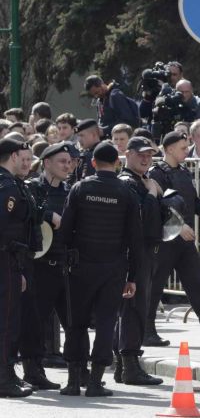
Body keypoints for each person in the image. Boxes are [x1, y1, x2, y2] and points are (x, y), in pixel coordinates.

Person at [57, 141, 143, 398]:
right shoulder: (127, 193)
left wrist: (64, 261)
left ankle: (73, 381)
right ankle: (95, 382)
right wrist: (133, 277)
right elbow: (135, 240)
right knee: (106, 324)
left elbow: (65, 231)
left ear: (93, 163)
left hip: (80, 266)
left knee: (76, 324)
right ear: (117, 163)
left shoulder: (80, 188)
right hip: (114, 268)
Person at [18, 141, 77, 391]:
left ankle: (78, 372)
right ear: (46, 163)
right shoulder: (32, 189)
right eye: (62, 161)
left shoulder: (71, 191)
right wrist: (47, 215)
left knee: (74, 322)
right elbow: (24, 210)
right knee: (35, 322)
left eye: (70, 162)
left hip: (65, 265)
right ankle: (33, 372)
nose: (68, 166)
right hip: (39, 266)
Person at [146, 131, 200, 346]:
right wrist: (179, 225)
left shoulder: (184, 172)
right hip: (166, 240)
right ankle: (148, 330)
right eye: (183, 148)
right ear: (169, 149)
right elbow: (158, 206)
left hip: (184, 241)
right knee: (155, 285)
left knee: (195, 284)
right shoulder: (156, 173)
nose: (187, 151)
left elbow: (195, 204)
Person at [112, 136, 165, 386]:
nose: (146, 159)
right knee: (133, 310)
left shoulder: (142, 181)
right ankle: (129, 366)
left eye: (149, 155)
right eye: (141, 154)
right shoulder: (128, 182)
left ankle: (123, 366)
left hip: (141, 251)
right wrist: (153, 195)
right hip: (134, 252)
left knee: (131, 309)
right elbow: (142, 219)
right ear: (128, 154)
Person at [0, 139, 35, 397]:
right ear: (13, 156)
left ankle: (8, 372)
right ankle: (3, 379)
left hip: (10, 259)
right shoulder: (8, 186)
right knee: (7, 322)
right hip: (5, 259)